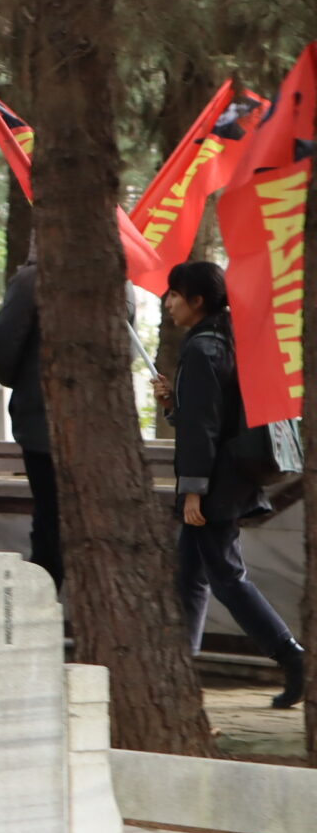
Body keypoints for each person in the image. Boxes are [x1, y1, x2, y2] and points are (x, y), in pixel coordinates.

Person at [154, 261, 305, 708]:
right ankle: (179, 670)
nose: (168, 303)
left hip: (216, 481)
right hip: (230, 473)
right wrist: (171, 402)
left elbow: (202, 428)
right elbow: (207, 416)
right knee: (191, 575)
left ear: (197, 301)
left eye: (175, 295)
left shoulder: (202, 349)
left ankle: (291, 655)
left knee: (224, 575)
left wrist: (194, 490)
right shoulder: (228, 339)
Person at [0, 253, 61, 586]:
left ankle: (42, 607)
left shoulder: (31, 280)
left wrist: (30, 383)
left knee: (48, 522)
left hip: (42, 421)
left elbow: (0, 354)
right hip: (100, 434)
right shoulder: (119, 278)